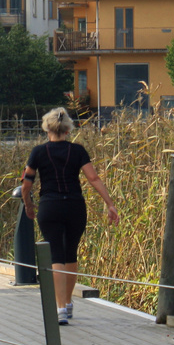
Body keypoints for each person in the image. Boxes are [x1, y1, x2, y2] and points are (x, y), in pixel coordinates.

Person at [21, 107, 118, 325]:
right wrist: (110, 204)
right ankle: (68, 302)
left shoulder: (38, 152)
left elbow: (26, 184)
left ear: (47, 129)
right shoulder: (77, 150)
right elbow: (93, 178)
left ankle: (61, 309)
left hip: (49, 206)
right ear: (67, 130)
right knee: (70, 253)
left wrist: (28, 204)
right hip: (74, 206)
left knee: (55, 254)